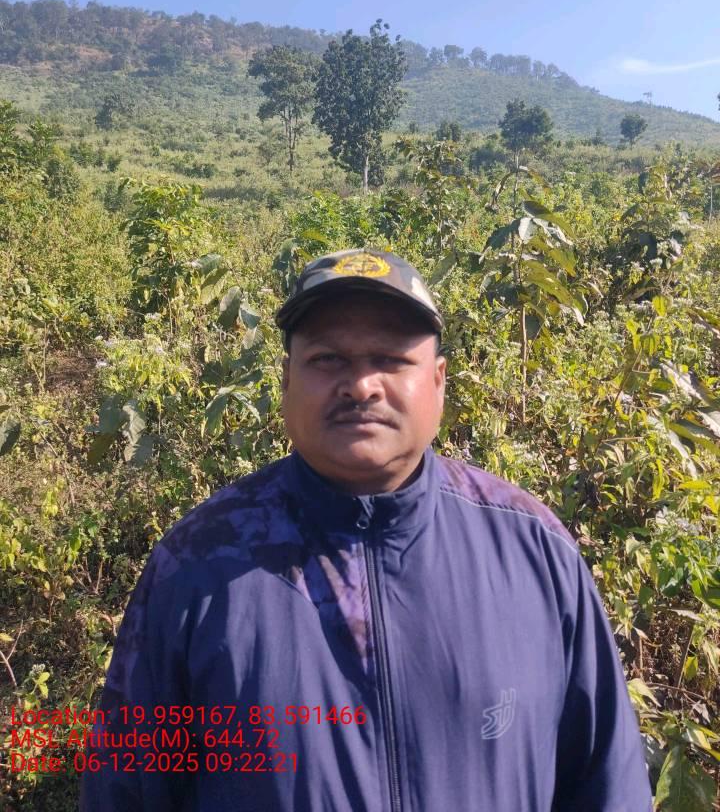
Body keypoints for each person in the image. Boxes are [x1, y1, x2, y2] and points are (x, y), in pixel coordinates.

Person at [80, 248, 653, 811]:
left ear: (438, 382)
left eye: (391, 358)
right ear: (286, 379)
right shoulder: (199, 562)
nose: (360, 385)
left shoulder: (532, 550)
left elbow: (608, 785)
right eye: (328, 358)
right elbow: (126, 791)